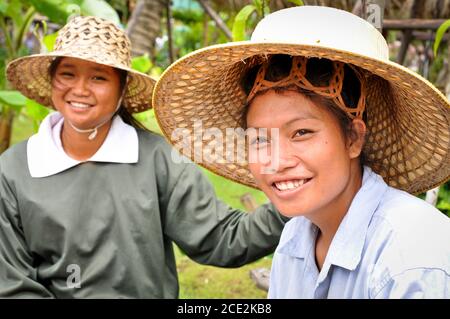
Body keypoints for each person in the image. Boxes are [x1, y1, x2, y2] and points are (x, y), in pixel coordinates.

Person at [152, 6, 450, 298]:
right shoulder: (295, 237)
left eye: (302, 133)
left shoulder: (412, 252)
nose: (276, 162)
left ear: (353, 139)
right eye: (260, 139)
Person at [0, 16, 288, 298]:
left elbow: (221, 238)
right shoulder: (13, 171)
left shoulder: (157, 159)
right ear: (52, 81)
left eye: (98, 77)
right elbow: (12, 282)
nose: (80, 89)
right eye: (67, 74)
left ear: (122, 89)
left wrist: (290, 205)